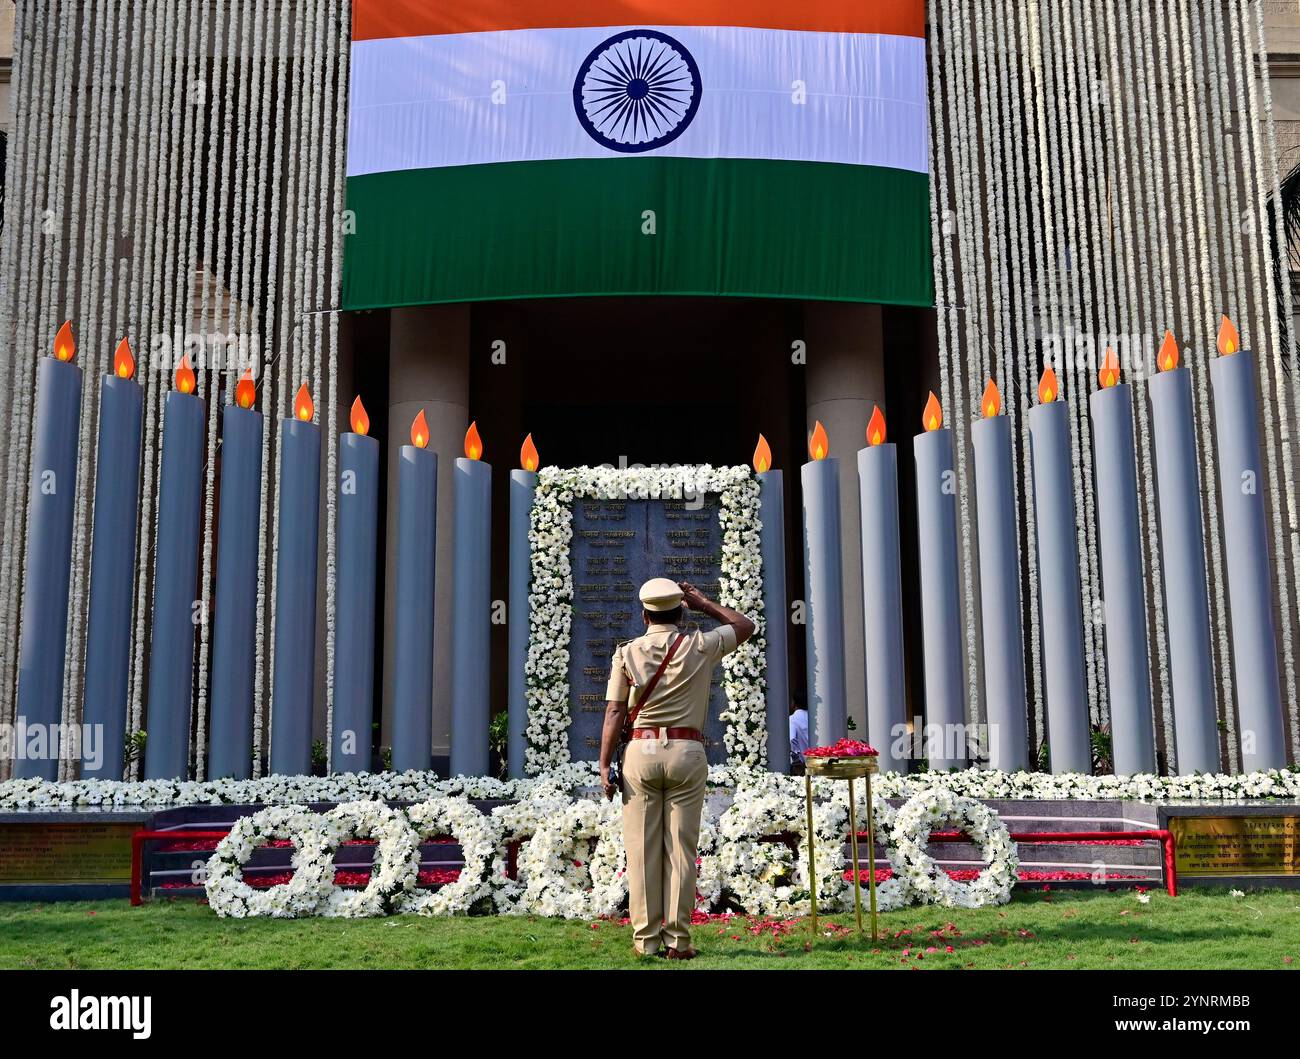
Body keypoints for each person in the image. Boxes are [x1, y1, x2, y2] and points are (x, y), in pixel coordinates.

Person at [599, 577, 754, 959]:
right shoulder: (699, 645)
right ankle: (679, 941)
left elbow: (615, 711)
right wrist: (705, 605)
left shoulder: (627, 652)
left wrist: (604, 765)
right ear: (681, 610)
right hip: (687, 750)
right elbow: (744, 626)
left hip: (641, 752)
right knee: (681, 851)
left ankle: (646, 940)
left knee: (642, 850)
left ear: (644, 613)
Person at [788, 688, 809, 774]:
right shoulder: (814, 718)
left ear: (794, 702)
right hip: (817, 760)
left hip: (802, 763)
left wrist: (796, 759)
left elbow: (792, 739)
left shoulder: (792, 719)